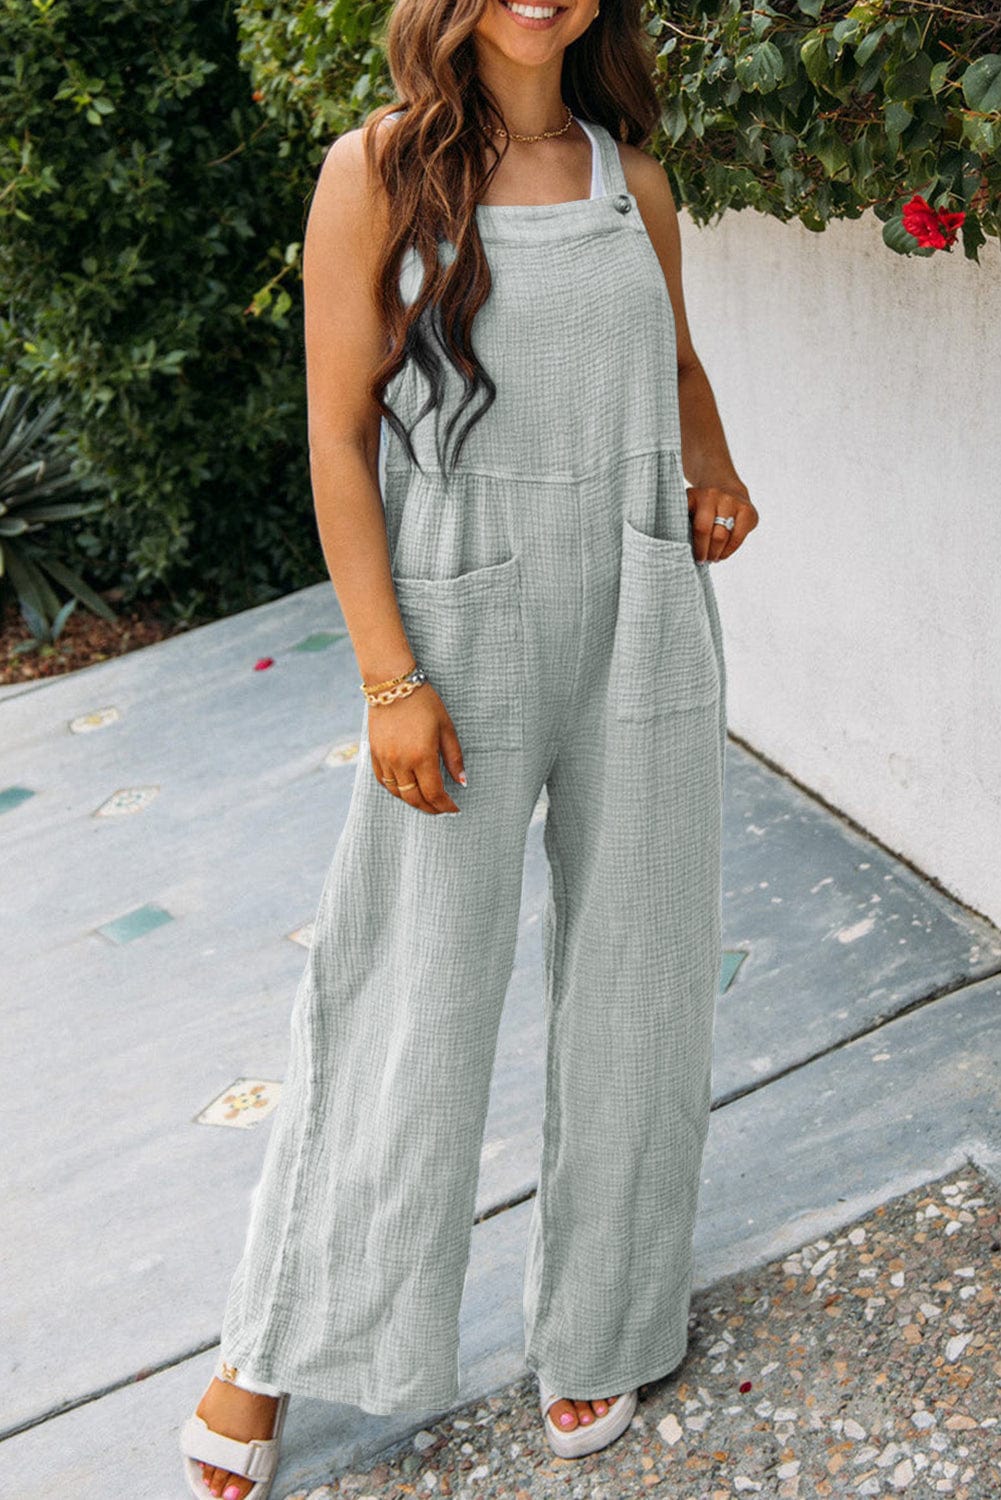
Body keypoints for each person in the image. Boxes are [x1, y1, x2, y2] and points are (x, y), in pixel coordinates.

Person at [179, 0, 759, 1493]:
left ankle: (603, 1321)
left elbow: (673, 361)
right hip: (457, 621)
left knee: (638, 975)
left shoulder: (628, 175)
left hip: (641, 599)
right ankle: (275, 1346)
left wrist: (709, 466)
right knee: (402, 988)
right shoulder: (373, 170)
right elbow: (335, 434)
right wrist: (389, 679)